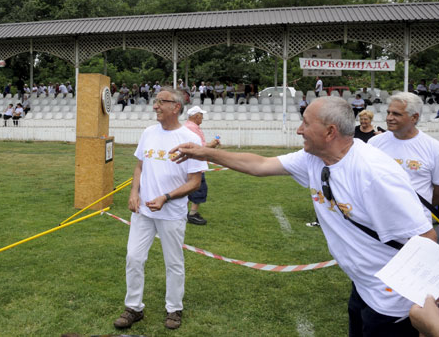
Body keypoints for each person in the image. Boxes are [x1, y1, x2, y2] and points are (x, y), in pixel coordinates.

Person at [170, 96, 436, 336]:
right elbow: (260, 165)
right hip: (363, 285)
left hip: (393, 301)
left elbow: (425, 240)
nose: (299, 130)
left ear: (330, 132)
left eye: (306, 123)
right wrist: (204, 152)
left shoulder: (375, 174)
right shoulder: (314, 157)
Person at [113, 88, 206, 331]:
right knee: (134, 257)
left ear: (176, 107)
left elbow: (195, 182)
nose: (155, 106)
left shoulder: (190, 139)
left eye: (161, 102)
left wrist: (166, 197)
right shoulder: (148, 133)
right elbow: (139, 167)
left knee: (173, 262)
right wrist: (134, 193)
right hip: (143, 212)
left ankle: (174, 309)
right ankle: (134, 307)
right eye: (155, 101)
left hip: (172, 213)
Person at [369, 92, 439, 222]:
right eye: (388, 112)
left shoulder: (433, 148)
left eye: (396, 114)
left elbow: (438, 191)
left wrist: (416, 207)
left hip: (417, 224)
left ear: (414, 117)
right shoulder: (374, 143)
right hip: (380, 222)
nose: (389, 118)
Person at [184, 106, 220, 225]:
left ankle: (184, 213)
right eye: (201, 115)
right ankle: (192, 214)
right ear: (196, 116)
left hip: (189, 164)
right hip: (194, 164)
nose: (203, 118)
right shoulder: (192, 128)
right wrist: (212, 144)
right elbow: (199, 146)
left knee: (187, 189)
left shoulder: (188, 127)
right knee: (198, 188)